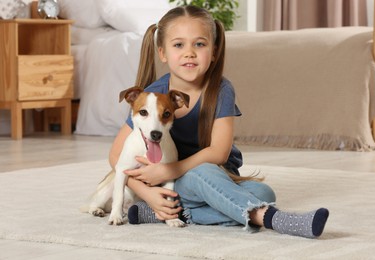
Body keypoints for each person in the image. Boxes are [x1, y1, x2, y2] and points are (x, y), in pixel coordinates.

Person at [109, 5, 329, 238]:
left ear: (213, 51)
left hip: (212, 174)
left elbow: (218, 154)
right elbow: (115, 156)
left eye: (200, 44)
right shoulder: (152, 98)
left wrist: (168, 171)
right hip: (176, 182)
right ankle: (272, 218)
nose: (189, 53)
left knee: (263, 191)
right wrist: (146, 192)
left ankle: (174, 213)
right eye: (178, 45)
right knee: (205, 177)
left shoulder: (220, 90)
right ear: (162, 53)